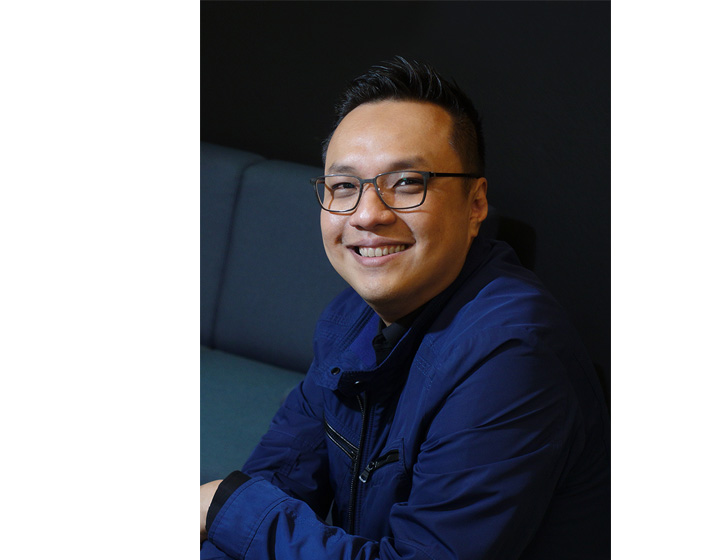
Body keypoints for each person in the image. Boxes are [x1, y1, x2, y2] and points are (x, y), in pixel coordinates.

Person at [200, 56, 610, 559]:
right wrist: (224, 520)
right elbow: (277, 479)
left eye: (407, 182)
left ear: (475, 205)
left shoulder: (513, 356)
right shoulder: (347, 318)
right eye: (345, 186)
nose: (369, 214)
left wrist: (224, 508)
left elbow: (237, 509)